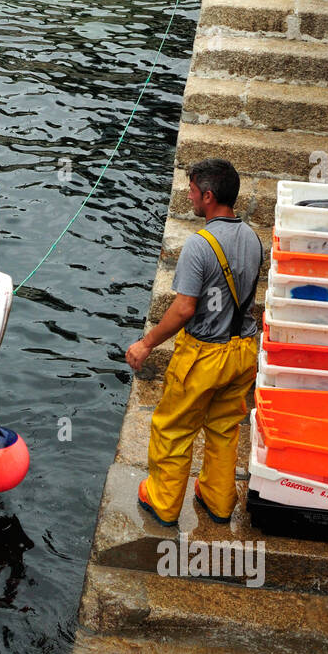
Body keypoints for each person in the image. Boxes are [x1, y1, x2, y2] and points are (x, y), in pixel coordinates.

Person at [125, 158, 262, 525]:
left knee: (173, 427)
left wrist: (146, 343)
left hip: (204, 354)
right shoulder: (252, 237)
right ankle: (218, 501)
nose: (188, 197)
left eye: (192, 191)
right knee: (223, 427)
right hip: (244, 350)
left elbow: (184, 309)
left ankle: (163, 502)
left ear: (208, 195)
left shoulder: (199, 247)